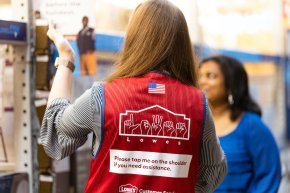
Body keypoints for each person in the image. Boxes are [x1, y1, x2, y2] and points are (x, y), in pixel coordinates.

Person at [40, 1, 227, 192]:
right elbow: (214, 168)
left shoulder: (103, 96)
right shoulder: (197, 103)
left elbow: (54, 134)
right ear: (182, 45)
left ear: (135, 39)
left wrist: (66, 60)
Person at [199, 55, 281, 192]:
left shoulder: (251, 126)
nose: (202, 81)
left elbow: (269, 175)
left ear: (231, 83)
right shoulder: (194, 122)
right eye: (199, 75)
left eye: (211, 76)